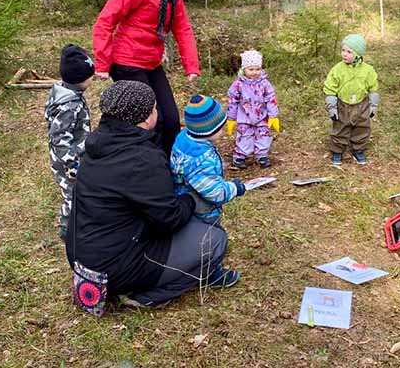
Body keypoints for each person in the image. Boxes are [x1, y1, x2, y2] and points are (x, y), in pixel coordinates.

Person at [66, 81, 237, 310]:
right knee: (214, 240)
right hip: (115, 269)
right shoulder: (143, 159)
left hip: (82, 256)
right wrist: (189, 198)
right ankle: (147, 294)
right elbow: (170, 219)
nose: (158, 112)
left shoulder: (97, 146)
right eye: (155, 108)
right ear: (146, 117)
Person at [92, 0, 200, 156]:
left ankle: (170, 169)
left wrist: (191, 65)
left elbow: (182, 27)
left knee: (170, 119)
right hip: (127, 63)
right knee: (152, 122)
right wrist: (102, 64)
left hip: (151, 62)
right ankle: (150, 172)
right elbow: (105, 21)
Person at [171, 94, 247, 227]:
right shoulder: (202, 161)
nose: (223, 130)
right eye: (220, 128)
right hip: (203, 211)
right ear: (210, 131)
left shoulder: (184, 138)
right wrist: (234, 188)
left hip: (184, 196)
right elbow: (215, 193)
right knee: (208, 236)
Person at [45, 44, 95, 239]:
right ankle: (68, 228)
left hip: (73, 154)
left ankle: (78, 221)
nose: (93, 78)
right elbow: (59, 138)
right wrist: (72, 163)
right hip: (68, 161)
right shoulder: (69, 105)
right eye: (90, 75)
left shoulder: (67, 93)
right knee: (72, 194)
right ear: (79, 79)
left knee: (78, 191)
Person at [324, 34, 379, 166]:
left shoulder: (368, 70)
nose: (345, 54)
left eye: (349, 52)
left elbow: (373, 87)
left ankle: (358, 150)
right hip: (342, 104)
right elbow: (330, 87)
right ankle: (337, 151)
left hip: (362, 104)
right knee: (340, 127)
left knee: (362, 128)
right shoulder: (337, 69)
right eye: (343, 50)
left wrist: (373, 104)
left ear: (358, 54)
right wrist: (331, 106)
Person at [226, 50, 280, 169]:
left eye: (257, 69)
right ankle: (240, 156)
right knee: (244, 136)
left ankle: (262, 155)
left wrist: (273, 116)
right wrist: (231, 118)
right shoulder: (238, 85)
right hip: (244, 117)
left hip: (262, 116)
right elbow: (233, 100)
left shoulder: (265, 83)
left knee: (263, 135)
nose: (254, 72)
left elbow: (271, 99)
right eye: (251, 69)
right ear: (244, 69)